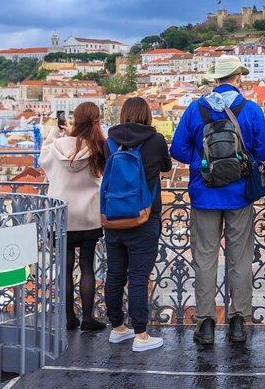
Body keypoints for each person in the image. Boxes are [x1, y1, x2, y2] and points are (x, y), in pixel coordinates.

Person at [170, 55, 265, 345]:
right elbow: (264, 150)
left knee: (204, 258)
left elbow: (177, 149)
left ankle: (205, 324)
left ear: (215, 80)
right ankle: (238, 321)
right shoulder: (250, 109)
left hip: (204, 193)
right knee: (239, 258)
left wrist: (201, 163)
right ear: (238, 78)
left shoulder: (194, 108)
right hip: (240, 194)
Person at [104, 97, 172, 352]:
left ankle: (117, 328)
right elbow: (166, 166)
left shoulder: (110, 140)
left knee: (115, 274)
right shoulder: (154, 140)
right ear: (147, 115)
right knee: (138, 277)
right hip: (144, 216)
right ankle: (141, 335)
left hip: (113, 217)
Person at [40, 102, 107, 332]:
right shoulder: (99, 147)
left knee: (65, 268)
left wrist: (57, 131)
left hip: (62, 217)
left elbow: (44, 159)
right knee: (87, 267)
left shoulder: (58, 146)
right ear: (96, 122)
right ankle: (88, 318)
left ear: (75, 121)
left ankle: (69, 317)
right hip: (88, 216)